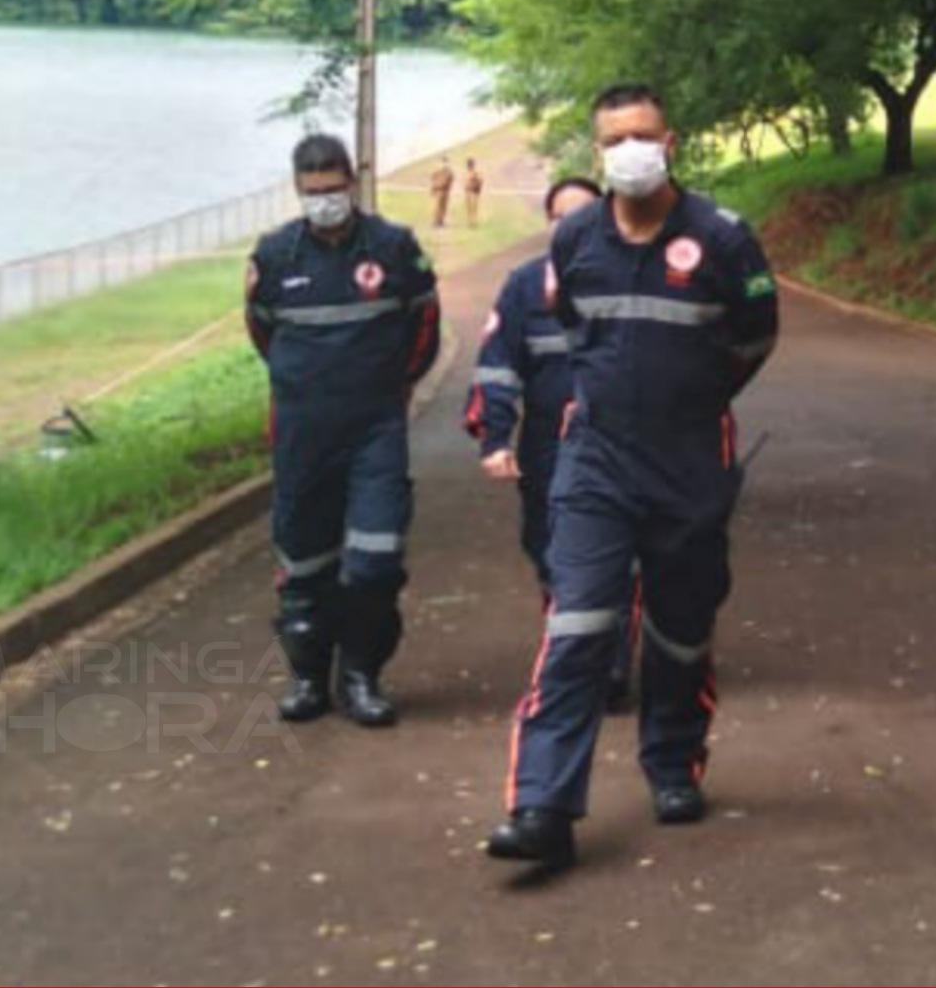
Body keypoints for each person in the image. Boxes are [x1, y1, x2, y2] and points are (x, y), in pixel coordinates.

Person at [486, 85, 779, 870]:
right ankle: (541, 805)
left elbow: (755, 338)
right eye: (614, 140)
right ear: (596, 153)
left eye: (643, 135)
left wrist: (691, 399)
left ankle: (673, 763)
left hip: (689, 459)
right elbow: (577, 331)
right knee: (577, 626)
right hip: (596, 461)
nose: (631, 151)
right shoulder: (575, 237)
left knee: (680, 631)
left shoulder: (722, 238)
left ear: (670, 141)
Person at [245, 133, 440, 728]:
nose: (324, 200)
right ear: (298, 190)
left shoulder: (394, 247)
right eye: (313, 192)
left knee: (376, 561)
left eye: (333, 190)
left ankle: (362, 678)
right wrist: (303, 383)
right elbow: (261, 332)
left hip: (375, 431)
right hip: (303, 433)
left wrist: (392, 387)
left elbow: (424, 328)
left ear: (352, 183)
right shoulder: (276, 256)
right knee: (303, 562)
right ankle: (308, 678)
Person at [463, 177, 638, 711]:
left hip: (623, 446)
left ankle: (607, 664)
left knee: (618, 557)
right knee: (549, 551)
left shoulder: (635, 277)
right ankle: (570, 648)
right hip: (548, 449)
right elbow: (497, 367)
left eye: (582, 214)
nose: (570, 225)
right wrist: (494, 436)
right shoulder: (523, 286)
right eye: (559, 216)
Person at [429, 156, 455, 229]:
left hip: (445, 191)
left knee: (443, 207)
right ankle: (435, 221)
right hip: (438, 191)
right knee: (437, 207)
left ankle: (441, 221)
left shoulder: (449, 172)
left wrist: (441, 185)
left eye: (445, 163)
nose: (444, 164)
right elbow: (433, 179)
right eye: (443, 163)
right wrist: (434, 188)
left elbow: (449, 181)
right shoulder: (437, 171)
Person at [464, 158, 485, 228]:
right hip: (468, 193)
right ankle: (470, 222)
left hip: (474, 193)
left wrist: (476, 188)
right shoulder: (467, 172)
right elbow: (465, 182)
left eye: (470, 164)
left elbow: (481, 181)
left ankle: (474, 223)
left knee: (474, 208)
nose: (469, 166)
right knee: (469, 208)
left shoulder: (476, 173)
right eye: (468, 165)